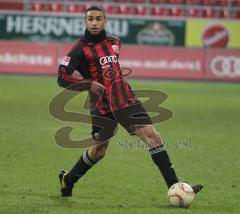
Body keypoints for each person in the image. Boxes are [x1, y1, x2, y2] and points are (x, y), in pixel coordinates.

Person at [57, 6, 203, 197]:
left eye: (98, 19)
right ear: (85, 22)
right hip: (101, 105)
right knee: (99, 151)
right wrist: (87, 84)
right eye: (90, 19)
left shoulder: (115, 42)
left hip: (125, 98)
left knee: (152, 136)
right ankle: (68, 180)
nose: (94, 22)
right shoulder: (79, 49)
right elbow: (62, 77)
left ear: (105, 21)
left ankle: (176, 187)